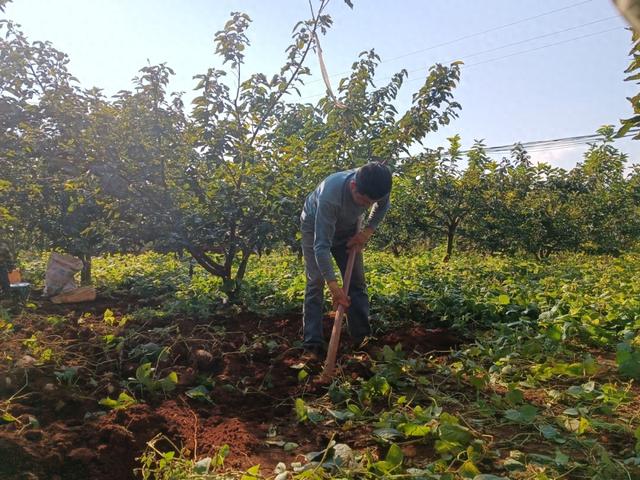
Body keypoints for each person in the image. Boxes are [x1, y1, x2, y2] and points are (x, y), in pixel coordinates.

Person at [300, 162, 392, 358]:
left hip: (349, 229)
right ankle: (312, 344)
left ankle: (362, 339)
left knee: (356, 282)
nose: (366, 206)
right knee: (316, 281)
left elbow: (383, 205)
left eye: (371, 202)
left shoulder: (378, 187)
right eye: (363, 201)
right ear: (353, 187)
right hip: (314, 228)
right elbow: (321, 246)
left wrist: (367, 232)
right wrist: (334, 287)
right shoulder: (330, 196)